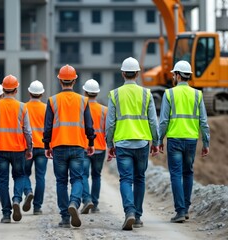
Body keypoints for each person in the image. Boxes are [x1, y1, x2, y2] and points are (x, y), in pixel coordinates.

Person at [105, 57, 159, 231]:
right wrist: (156, 141)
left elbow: (110, 123)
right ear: (137, 73)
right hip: (142, 143)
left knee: (126, 179)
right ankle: (137, 216)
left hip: (122, 143)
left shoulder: (114, 94)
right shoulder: (147, 94)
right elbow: (153, 121)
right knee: (139, 178)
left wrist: (109, 143)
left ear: (122, 73)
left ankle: (129, 211)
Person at [43, 64, 95, 228]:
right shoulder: (83, 100)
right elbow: (89, 125)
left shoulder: (52, 100)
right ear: (74, 80)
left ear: (60, 81)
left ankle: (65, 217)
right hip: (78, 145)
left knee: (61, 182)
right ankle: (74, 202)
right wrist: (91, 142)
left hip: (59, 146)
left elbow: (48, 127)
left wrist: (46, 145)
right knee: (78, 178)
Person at [158, 60, 210, 223]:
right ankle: (185, 209)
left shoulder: (169, 94)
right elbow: (203, 121)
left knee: (175, 174)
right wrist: (206, 143)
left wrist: (159, 139)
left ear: (178, 75)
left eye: (174, 74)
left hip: (174, 140)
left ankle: (180, 211)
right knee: (188, 173)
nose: (173, 76)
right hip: (191, 140)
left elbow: (164, 120)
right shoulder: (197, 94)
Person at [0, 75, 33, 224]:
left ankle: (6, 214)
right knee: (20, 176)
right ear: (16, 89)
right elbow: (27, 131)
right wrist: (29, 148)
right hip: (18, 149)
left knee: (3, 181)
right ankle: (16, 199)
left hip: (0, 149)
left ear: (3, 89)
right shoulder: (22, 106)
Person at [80, 79, 108, 215]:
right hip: (100, 147)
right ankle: (95, 204)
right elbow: (108, 129)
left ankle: (86, 200)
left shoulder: (81, 109)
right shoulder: (104, 110)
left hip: (84, 146)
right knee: (96, 175)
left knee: (83, 175)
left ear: (85, 92)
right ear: (97, 93)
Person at [23, 80, 48, 215]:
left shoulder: (24, 107)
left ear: (29, 92)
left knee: (24, 173)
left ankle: (28, 191)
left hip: (28, 148)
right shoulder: (46, 108)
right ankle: (37, 207)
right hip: (42, 147)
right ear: (42, 94)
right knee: (40, 177)